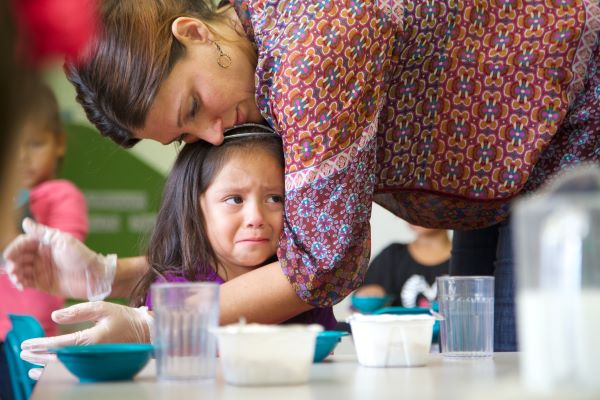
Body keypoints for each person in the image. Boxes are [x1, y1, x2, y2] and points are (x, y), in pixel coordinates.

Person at [4, 0, 599, 363]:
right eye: (183, 137)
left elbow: (317, 264)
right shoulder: (260, 43)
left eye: (192, 107)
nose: (212, 136)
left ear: (192, 32)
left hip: (574, 133)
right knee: (486, 363)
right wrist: (110, 273)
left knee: (529, 372)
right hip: (506, 187)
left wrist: (151, 323)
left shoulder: (311, 55)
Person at [135, 123, 335, 329]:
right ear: (194, 206)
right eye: (235, 200)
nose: (256, 217)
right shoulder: (173, 291)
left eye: (275, 198)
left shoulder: (305, 286)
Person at [0, 84, 88, 390]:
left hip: (36, 341)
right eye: (11, 145)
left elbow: (59, 256)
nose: (22, 157)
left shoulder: (62, 196)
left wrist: (14, 208)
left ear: (59, 143)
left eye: (35, 143)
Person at [355, 225, 450, 308]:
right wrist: (367, 296)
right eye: (411, 205)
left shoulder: (463, 258)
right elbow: (360, 304)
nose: (416, 212)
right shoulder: (392, 255)